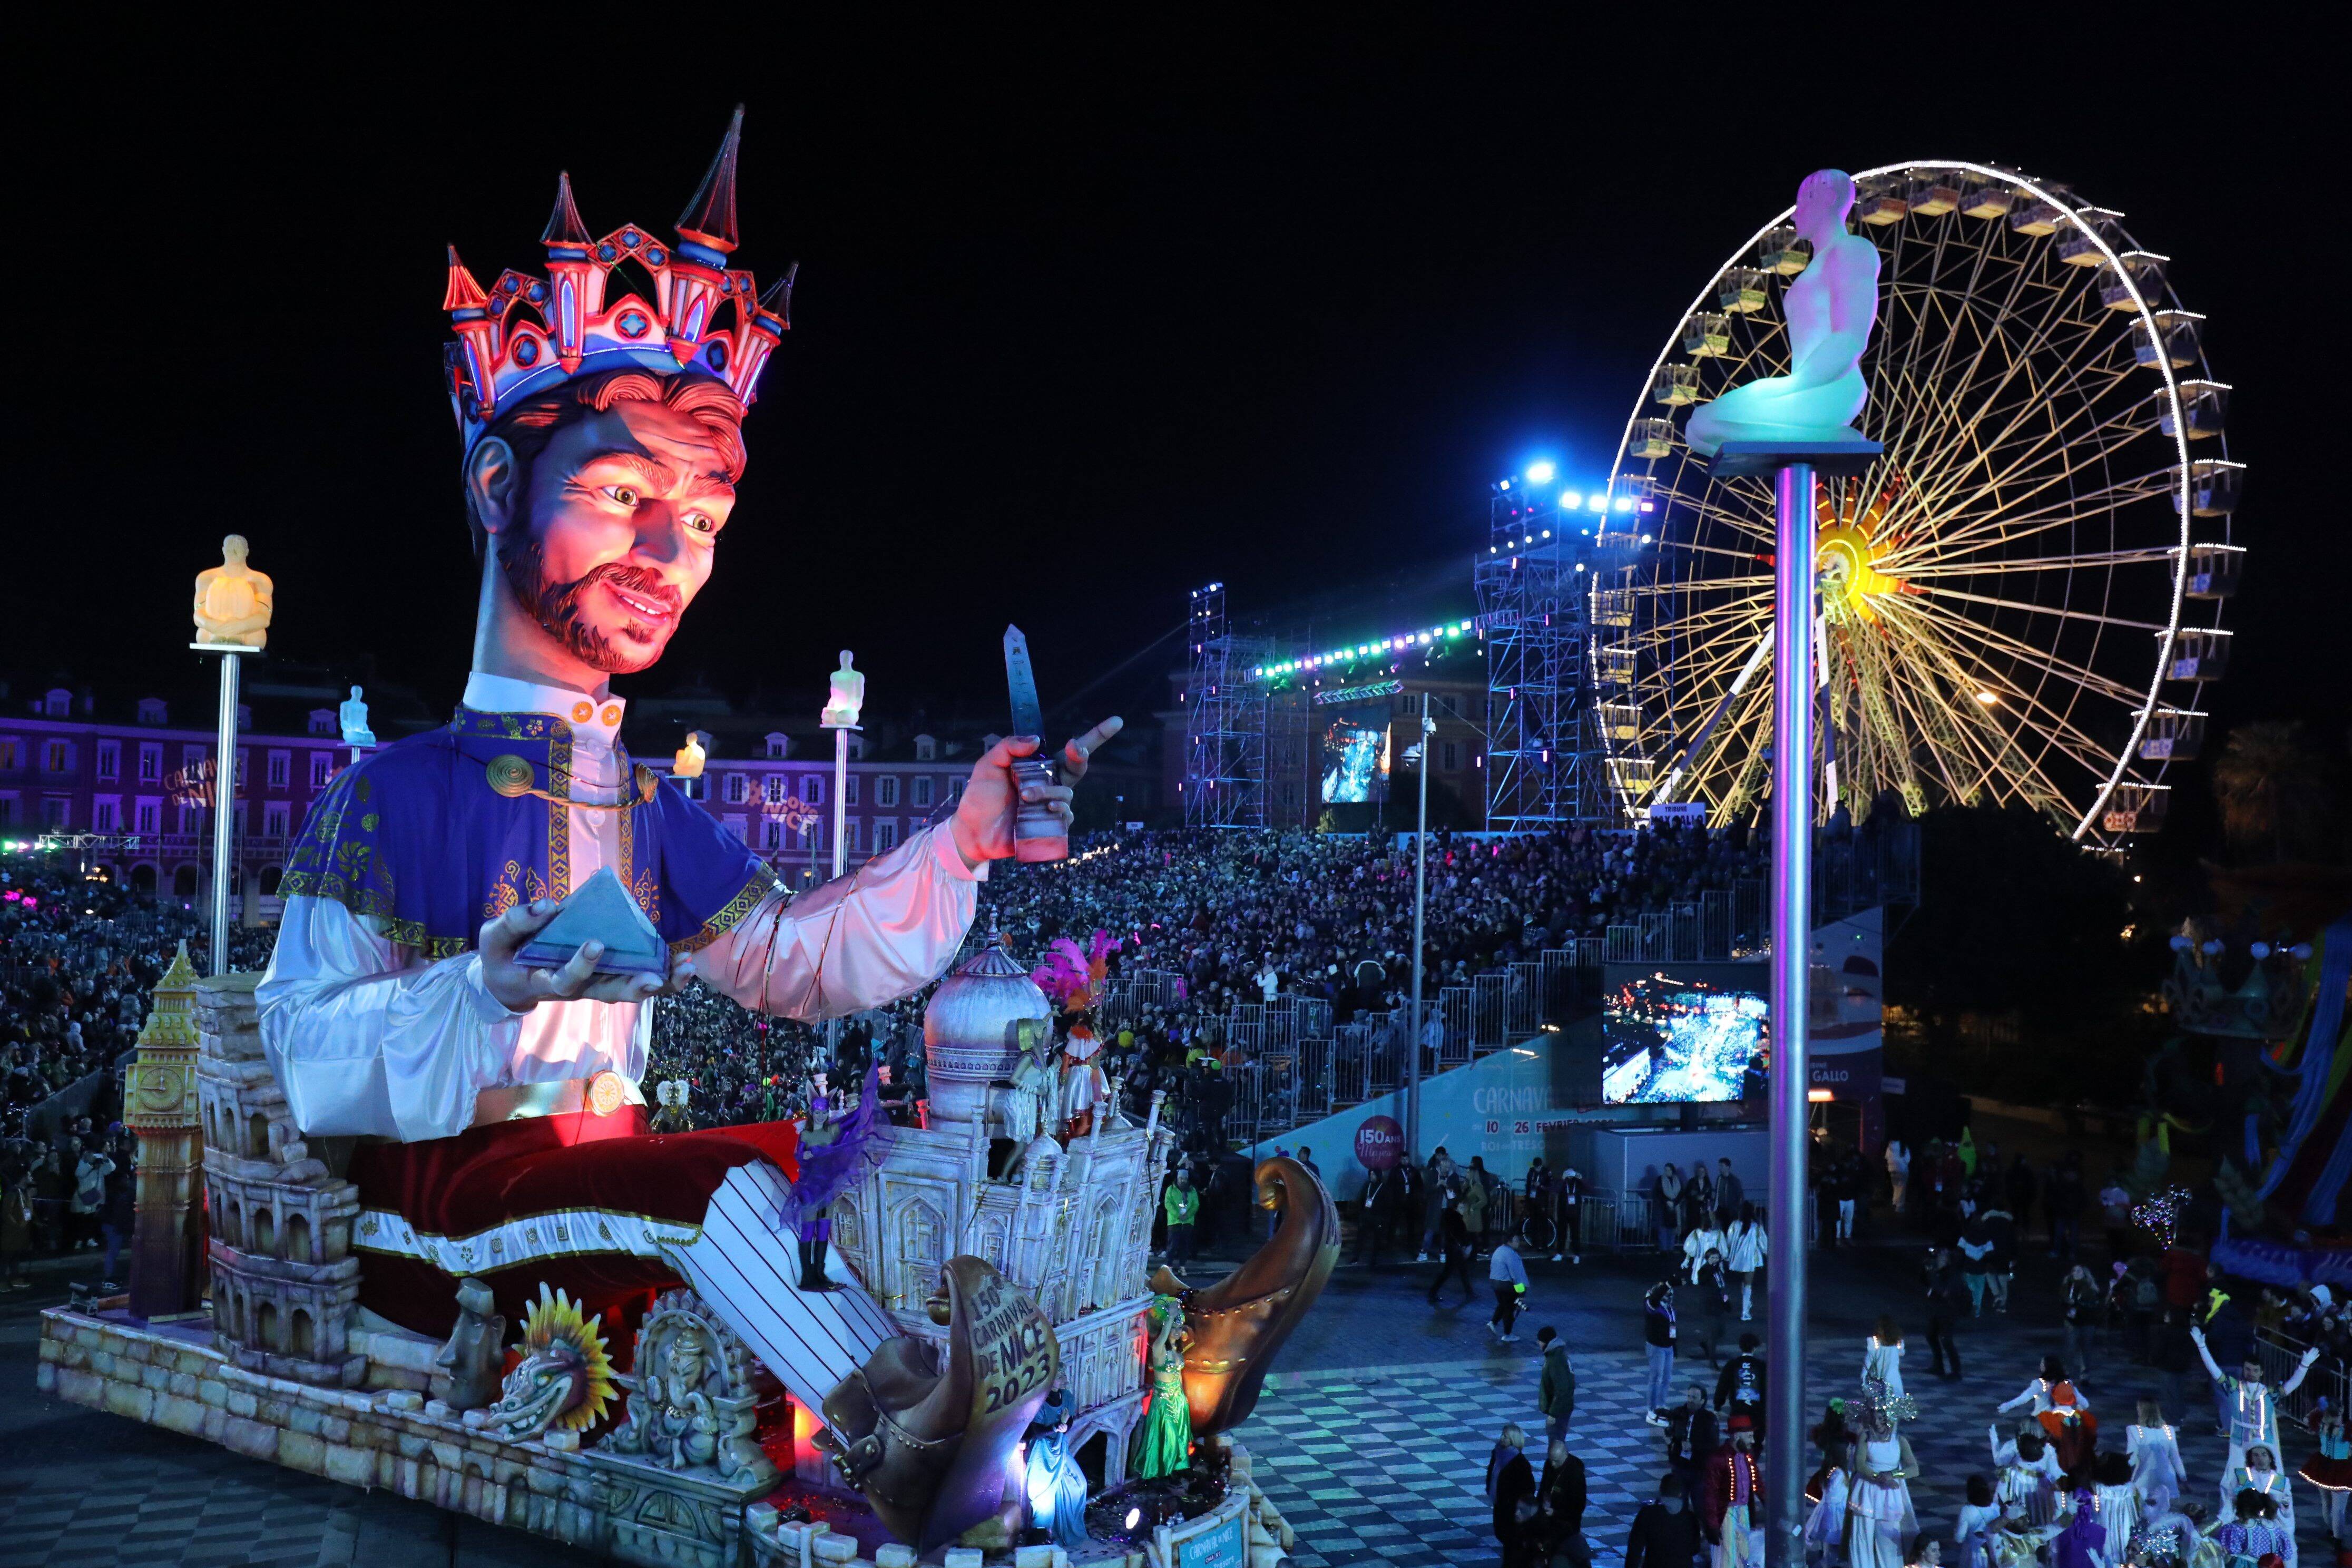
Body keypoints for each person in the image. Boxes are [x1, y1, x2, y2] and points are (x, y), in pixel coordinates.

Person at [249, 117, 1124, 1532]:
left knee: (798, 1158)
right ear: (494, 486)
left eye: (705, 519)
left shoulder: (646, 806)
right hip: (444, 1215)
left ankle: (945, 1410)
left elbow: (789, 963)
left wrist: (958, 841)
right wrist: (479, 993)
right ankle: (908, 1442)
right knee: (726, 1180)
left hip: (600, 1186)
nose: (672, 560)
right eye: (621, 497)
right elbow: (301, 1055)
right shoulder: (391, 794)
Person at [2190, 1321, 2320, 1497]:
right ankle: (2242, 1510)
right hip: (2240, 1442)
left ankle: (2271, 1511)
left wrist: (2304, 1365)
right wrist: (2202, 1346)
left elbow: (2292, 1385)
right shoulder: (2235, 1388)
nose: (2250, 1373)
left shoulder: (2269, 1394)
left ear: (2261, 1373)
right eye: (2247, 1369)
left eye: (2255, 1370)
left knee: (2270, 1479)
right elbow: (2214, 1371)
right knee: (2238, 1479)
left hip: (2264, 1442)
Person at [1847, 1385, 1920, 1568]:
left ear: (1890, 1418)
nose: (1877, 1422)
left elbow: (1914, 1469)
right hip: (1867, 1493)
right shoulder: (1865, 1437)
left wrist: (1893, 1475)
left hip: (1890, 1494)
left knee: (1890, 1541)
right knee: (1861, 1540)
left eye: (1881, 1418)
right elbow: (1860, 1464)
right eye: (1874, 1418)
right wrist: (1877, 1477)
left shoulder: (1900, 1441)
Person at [1997, 1355, 2097, 1477]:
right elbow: (2085, 1404)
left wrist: (2008, 1406)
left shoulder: (2039, 1384)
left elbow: (2024, 1398)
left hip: (2039, 1426)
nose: (2040, 1365)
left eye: (2042, 1363)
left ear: (2046, 1367)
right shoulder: (2067, 1384)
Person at [1703, 1427, 1765, 1568]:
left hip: (1743, 1512)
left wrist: (1768, 1502)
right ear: (1737, 1436)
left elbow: (1757, 1484)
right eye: (1749, 1436)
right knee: (1725, 1556)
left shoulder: (1747, 1457)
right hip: (1725, 1513)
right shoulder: (1718, 1459)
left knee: (1744, 1553)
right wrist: (1712, 1524)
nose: (1753, 1441)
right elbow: (1710, 1494)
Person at [1988, 1424, 2061, 1528]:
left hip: (2017, 1526)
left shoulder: (2009, 1474)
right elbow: (2058, 1506)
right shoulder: (2049, 1479)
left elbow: (1997, 1501)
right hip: (2042, 1528)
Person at [2300, 1397, 2352, 1542]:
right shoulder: (2347, 1430)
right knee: (2339, 1510)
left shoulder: (2321, 1424)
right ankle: (2338, 1539)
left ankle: (2332, 1531)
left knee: (2326, 1503)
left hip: (2322, 1467)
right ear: (2341, 1410)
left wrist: (2319, 1409)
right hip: (2342, 1469)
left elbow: (2306, 1419)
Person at [1625, 1474, 1706, 1568]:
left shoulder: (1647, 1514)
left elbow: (1634, 1550)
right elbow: (1694, 1550)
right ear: (1681, 1494)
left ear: (1661, 1491)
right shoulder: (1691, 1518)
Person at [2130, 1398, 2189, 1517]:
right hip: (2167, 1478)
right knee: (2163, 1515)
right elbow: (2175, 1457)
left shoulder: (2134, 1430)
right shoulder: (2169, 1430)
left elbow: (2131, 1458)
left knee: (2142, 1515)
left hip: (2143, 1479)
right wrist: (2183, 1478)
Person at [2210, 1487, 2293, 1568]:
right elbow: (2283, 1558)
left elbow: (2227, 1558)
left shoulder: (2233, 1529)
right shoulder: (2276, 1531)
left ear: (2239, 1507)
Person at [1666, 1384, 1720, 1497]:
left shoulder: (1709, 1419)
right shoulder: (1679, 1412)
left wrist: (1694, 1447)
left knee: (1700, 1503)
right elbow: (1672, 1432)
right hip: (1680, 1465)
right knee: (1680, 1502)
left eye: (1694, 1398)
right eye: (1689, 1396)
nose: (1690, 1400)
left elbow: (1714, 1445)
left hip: (1699, 1469)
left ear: (1702, 1401)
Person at [1493, 1422, 1538, 1556]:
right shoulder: (1498, 1454)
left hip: (1512, 1508)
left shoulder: (1520, 1463)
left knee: (1511, 1543)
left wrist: (1517, 1505)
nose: (1502, 1438)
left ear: (1514, 1440)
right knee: (1503, 1535)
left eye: (1506, 1436)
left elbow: (1529, 1487)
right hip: (1501, 1505)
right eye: (1503, 1435)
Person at [1427, 1195, 1477, 1308]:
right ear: (1456, 1206)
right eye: (1462, 1206)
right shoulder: (1456, 1219)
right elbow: (1460, 1234)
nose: (1463, 1208)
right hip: (1455, 1249)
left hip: (1452, 1248)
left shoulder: (1450, 1216)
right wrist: (1467, 1244)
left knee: (1458, 1270)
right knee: (1451, 1272)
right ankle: (1433, 1292)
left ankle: (1469, 1293)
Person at [1924, 1246, 1965, 1380]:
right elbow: (1926, 1282)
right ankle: (1939, 1366)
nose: (1938, 1260)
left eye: (1941, 1258)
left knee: (1947, 1341)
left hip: (1949, 1312)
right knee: (1931, 1336)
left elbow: (1945, 1292)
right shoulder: (1939, 1271)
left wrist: (1934, 1277)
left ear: (1948, 1261)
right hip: (1938, 1310)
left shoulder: (1953, 1275)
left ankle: (1956, 1372)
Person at [1726, 1202, 1768, 1321]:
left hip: (1738, 1257)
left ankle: (1747, 1304)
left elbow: (1729, 1241)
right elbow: (1763, 1243)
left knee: (1745, 1282)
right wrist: (1768, 1252)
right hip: (1751, 1258)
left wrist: (1728, 1254)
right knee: (1748, 1282)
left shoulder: (1735, 1225)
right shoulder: (1756, 1226)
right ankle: (1745, 1311)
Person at [1692, 1248, 1733, 1368]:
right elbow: (1703, 1281)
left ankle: (1705, 1344)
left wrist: (1727, 1301)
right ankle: (1712, 1360)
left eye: (1717, 1258)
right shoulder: (1704, 1270)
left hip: (1720, 1304)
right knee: (1714, 1333)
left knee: (1721, 1331)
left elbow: (1722, 1287)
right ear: (1707, 1259)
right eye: (1712, 1258)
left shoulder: (1718, 1271)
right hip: (1710, 1306)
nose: (1715, 1260)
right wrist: (1711, 1269)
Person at [1645, 1282, 1680, 1424]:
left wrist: (1674, 1345)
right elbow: (1654, 1299)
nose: (1669, 1296)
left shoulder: (1670, 1310)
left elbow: (1673, 1329)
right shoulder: (1652, 1306)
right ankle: (1651, 1409)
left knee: (1667, 1378)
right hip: (1656, 1347)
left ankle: (1661, 1405)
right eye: (1666, 1294)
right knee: (1656, 1378)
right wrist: (1668, 1283)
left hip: (1668, 1347)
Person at [1717, 1332, 1768, 1425]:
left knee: (1738, 1436)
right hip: (1758, 1414)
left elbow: (1722, 1386)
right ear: (1755, 1348)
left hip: (1738, 1412)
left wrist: (1718, 1406)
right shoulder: (1762, 1366)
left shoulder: (1732, 1365)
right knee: (1756, 1437)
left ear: (1741, 1347)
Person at [2061, 1265, 2103, 1377]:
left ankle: (2085, 1375)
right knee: (2070, 1348)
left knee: (2086, 1349)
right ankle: (2067, 1372)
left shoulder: (2090, 1285)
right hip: (2072, 1321)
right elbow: (2063, 1299)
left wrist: (2077, 1304)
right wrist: (2068, 1305)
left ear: (2084, 1273)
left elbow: (2095, 1302)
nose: (2077, 1272)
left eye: (2079, 1270)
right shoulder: (2068, 1284)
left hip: (2087, 1321)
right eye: (2074, 1270)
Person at [1538, 1326, 1577, 1443]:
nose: (1538, 1344)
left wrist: (1553, 1414)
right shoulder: (1556, 1355)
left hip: (1559, 1411)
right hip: (1562, 1408)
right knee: (1557, 1441)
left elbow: (1563, 1389)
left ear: (1545, 1342)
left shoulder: (1556, 1360)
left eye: (1540, 1341)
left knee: (1556, 1443)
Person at [1954, 1474, 2000, 1568]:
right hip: (1993, 1549)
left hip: (1973, 1552)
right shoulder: (1996, 1508)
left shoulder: (1967, 1510)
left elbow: (1959, 1538)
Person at [1490, 1236, 1530, 1342]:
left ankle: (1493, 1323)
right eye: (1516, 1240)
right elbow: (1516, 1275)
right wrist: (1521, 1291)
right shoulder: (1511, 1255)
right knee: (1509, 1308)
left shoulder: (1499, 1250)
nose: (1518, 1242)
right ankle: (1507, 1334)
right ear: (1509, 1242)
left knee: (1503, 1305)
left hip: (1495, 1283)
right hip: (1506, 1285)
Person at [1163, 1166, 1199, 1266]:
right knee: (1172, 1246)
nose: (1183, 1180)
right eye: (1181, 1178)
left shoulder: (1192, 1190)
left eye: (1185, 1179)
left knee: (1185, 1246)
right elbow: (1168, 1204)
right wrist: (1178, 1215)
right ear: (1178, 1178)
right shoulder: (1171, 1189)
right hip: (1174, 1222)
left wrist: (1187, 1215)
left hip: (1188, 1222)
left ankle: (1182, 1266)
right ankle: (1169, 1265)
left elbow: (1196, 1204)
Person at [1867, 1315, 1907, 1399]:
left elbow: (1870, 1359)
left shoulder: (1874, 1342)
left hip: (1881, 1374)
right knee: (1895, 1394)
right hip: (1892, 1375)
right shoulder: (1898, 1342)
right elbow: (1901, 1353)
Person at [1685, 1210, 1729, 1285]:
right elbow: (1724, 1251)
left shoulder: (1716, 1234)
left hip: (1707, 1262)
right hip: (1711, 1261)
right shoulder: (1698, 1233)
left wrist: (1687, 1259)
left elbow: (1691, 1249)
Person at [1555, 1163, 1585, 1265]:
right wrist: (1562, 1179)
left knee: (1575, 1234)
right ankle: (1559, 1253)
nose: (1570, 1175)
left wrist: (1581, 1179)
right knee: (1562, 1233)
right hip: (1563, 1211)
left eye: (1572, 1172)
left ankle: (1577, 1255)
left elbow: (1589, 1188)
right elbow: (1556, 1189)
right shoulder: (1563, 1182)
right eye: (1568, 1172)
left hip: (1575, 1212)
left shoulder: (1578, 1182)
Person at [1886, 1138, 1912, 1215]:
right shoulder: (1904, 1147)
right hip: (1902, 1169)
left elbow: (1887, 1157)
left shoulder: (1890, 1147)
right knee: (1902, 1188)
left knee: (1895, 1186)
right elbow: (1908, 1159)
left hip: (1892, 1170)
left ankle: (1895, 1201)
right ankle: (1899, 1207)